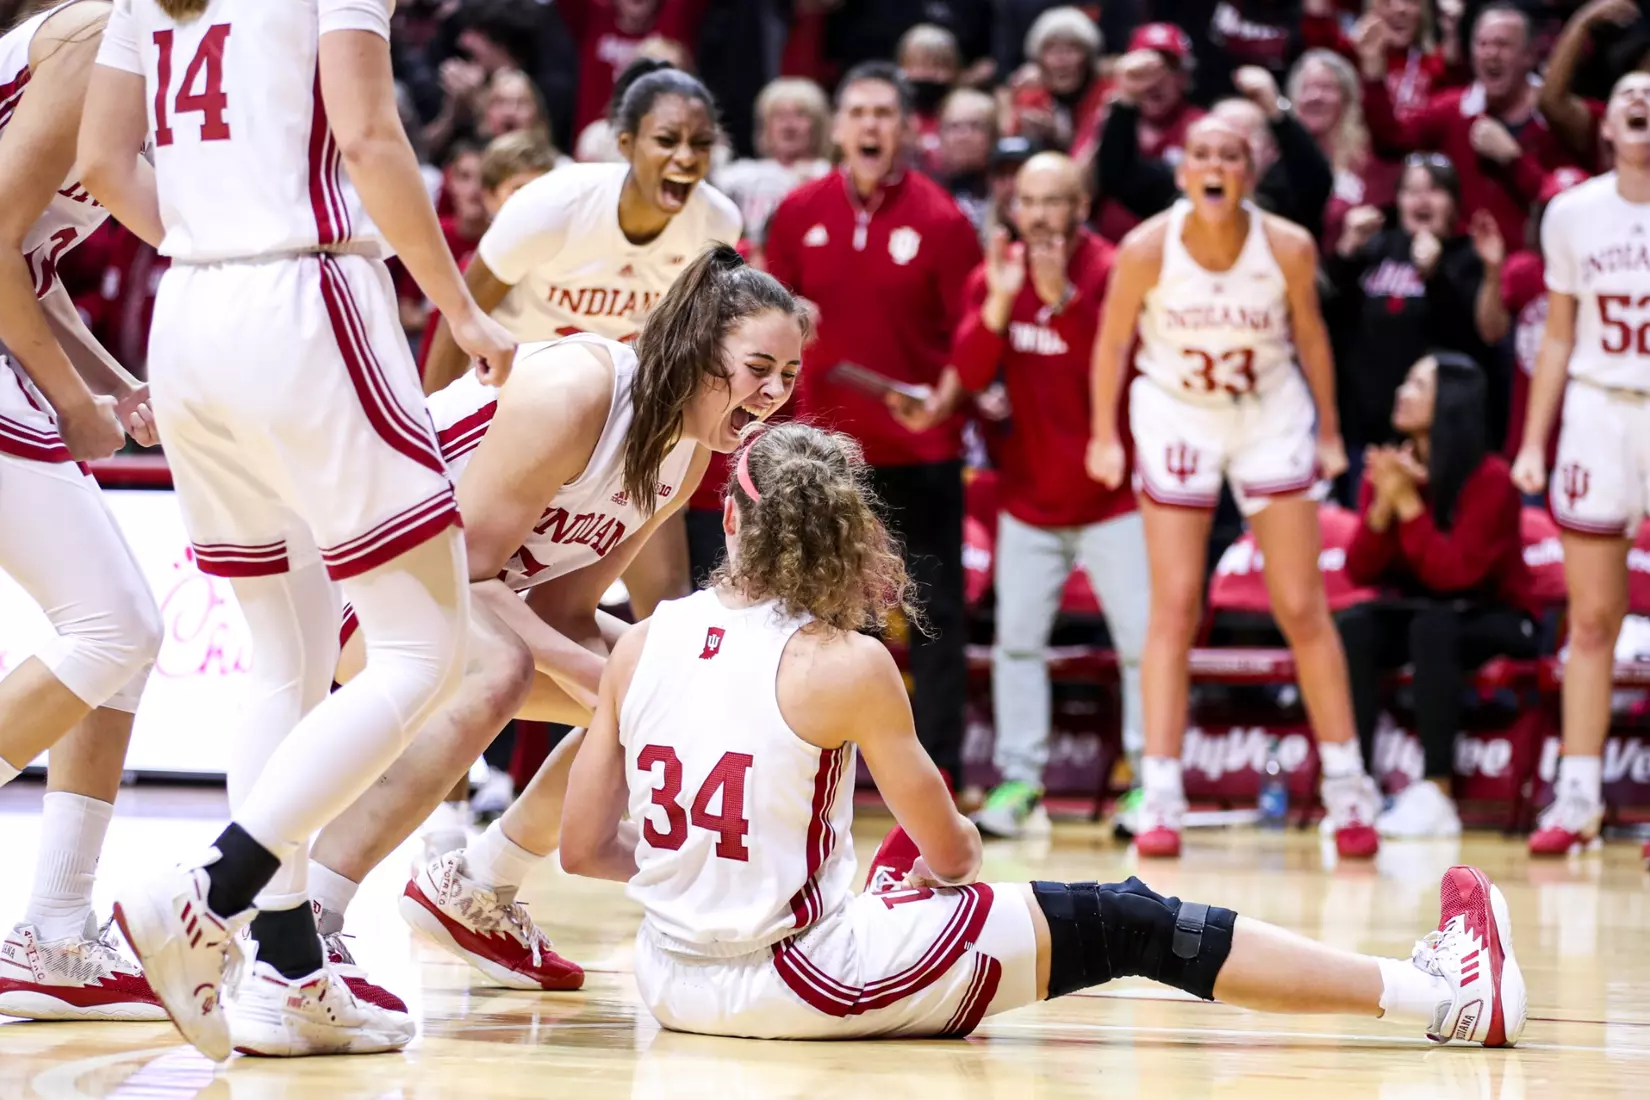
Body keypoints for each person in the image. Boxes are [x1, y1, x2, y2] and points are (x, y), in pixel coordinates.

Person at [553, 420, 1526, 1048]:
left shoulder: (642, 640)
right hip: (802, 978)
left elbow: (586, 846)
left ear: (729, 517)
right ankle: (1440, 994)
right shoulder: (845, 662)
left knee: (906, 897)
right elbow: (955, 850)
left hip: (670, 975)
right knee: (1131, 919)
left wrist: (721, 876)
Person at [80, 0, 516, 1061]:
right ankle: (208, 896)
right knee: (427, 648)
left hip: (189, 312)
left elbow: (101, 159)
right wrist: (462, 313)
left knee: (290, 659)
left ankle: (285, 970)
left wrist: (209, 240)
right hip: (305, 295)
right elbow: (367, 135)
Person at [298, 246, 803, 1002]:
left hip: (448, 592)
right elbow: (463, 575)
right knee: (505, 670)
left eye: (788, 377)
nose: (773, 394)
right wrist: (602, 679)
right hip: (355, 566)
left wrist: (639, 679)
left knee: (673, 679)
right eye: (759, 367)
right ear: (700, 344)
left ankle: (475, 886)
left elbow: (562, 609)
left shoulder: (684, 457)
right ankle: (309, 914)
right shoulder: (579, 388)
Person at [1086, 117, 1381, 860]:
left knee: (1301, 603)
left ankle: (1349, 788)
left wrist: (1331, 432)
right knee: (1176, 603)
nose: (1215, 165)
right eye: (1202, 154)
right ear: (1183, 171)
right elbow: (1113, 342)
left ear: (1249, 172)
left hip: (1266, 412)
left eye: (1231, 155)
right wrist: (1102, 433)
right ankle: (1160, 792)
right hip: (1177, 412)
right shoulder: (1148, 247)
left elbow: (1312, 338)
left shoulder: (1286, 244)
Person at [421, 59, 741, 624]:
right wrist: (427, 439)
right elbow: (460, 314)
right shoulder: (555, 204)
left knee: (663, 597)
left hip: (625, 408)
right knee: (479, 593)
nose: (686, 157)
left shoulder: (717, 223)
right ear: (626, 143)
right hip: (515, 406)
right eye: (667, 140)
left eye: (701, 143)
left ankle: (643, 706)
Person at [0, 0, 164, 1023]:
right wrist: (70, 399)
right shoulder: (93, 30)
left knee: (122, 637)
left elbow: (25, 260)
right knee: (117, 626)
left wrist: (111, 385)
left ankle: (57, 928)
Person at [764, 61, 984, 792]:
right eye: (857, 112)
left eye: (884, 113)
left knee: (934, 615)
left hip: (919, 451)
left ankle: (942, 771)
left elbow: (970, 332)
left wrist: (946, 399)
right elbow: (764, 318)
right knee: (822, 611)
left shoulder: (943, 219)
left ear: (906, 129)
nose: (869, 126)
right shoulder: (798, 212)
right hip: (824, 455)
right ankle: (821, 766)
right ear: (838, 127)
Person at [946, 153, 1149, 838]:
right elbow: (970, 374)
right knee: (1018, 645)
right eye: (1027, 201)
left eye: (1053, 201)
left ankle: (1151, 783)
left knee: (1141, 646)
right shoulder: (996, 272)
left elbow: (1120, 365)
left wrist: (1063, 296)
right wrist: (1003, 306)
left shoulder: (1113, 269)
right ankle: (1019, 782)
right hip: (1027, 499)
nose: (1037, 216)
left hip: (1113, 498)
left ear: (1080, 208)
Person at [1510, 73, 1650, 860]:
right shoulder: (1573, 213)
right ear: (1607, 121)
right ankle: (1578, 796)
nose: (1643, 103)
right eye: (1632, 92)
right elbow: (1558, 335)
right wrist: (1534, 440)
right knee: (1592, 618)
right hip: (1598, 410)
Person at [1341, 354, 1541, 838]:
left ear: (1450, 402)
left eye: (1417, 384)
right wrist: (1384, 506)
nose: (1401, 392)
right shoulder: (1394, 467)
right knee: (1355, 623)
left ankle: (1437, 790)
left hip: (1498, 615)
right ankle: (1356, 783)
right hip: (1422, 613)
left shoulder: (1491, 479)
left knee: (1434, 626)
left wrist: (1408, 505)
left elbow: (1456, 574)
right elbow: (1359, 569)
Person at [1359, 3, 1576, 249]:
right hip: (1459, 271)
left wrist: (1514, 161)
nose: (1491, 54)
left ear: (1529, 55)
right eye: (1482, 44)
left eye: (1503, 45)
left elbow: (1568, 206)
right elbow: (1391, 139)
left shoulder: (1557, 119)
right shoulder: (1452, 109)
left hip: (1528, 271)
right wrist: (1373, 74)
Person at [1325, 154, 1486, 482]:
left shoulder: (1468, 256)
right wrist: (1346, 251)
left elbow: (1471, 338)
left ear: (1454, 203)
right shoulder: (1375, 249)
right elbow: (1330, 316)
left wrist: (1435, 275)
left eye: (1435, 190)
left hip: (1436, 439)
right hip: (1364, 429)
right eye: (1411, 191)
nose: (1421, 200)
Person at [1098, 46, 1333, 241]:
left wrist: (1275, 111)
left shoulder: (1286, 196)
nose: (1219, 159)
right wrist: (1127, 98)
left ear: (1271, 152)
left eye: (1240, 140)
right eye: (1211, 144)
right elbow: (1117, 173)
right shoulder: (1177, 193)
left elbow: (1317, 181)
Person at [1091, 26, 1204, 243]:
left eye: (1166, 68)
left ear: (1184, 77)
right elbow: (1081, 186)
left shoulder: (1202, 128)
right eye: (1143, 69)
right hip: (1108, 247)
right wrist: (1120, 105)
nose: (1153, 81)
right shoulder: (1107, 115)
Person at [712, 77, 832, 255]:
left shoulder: (831, 176)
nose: (788, 125)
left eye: (800, 115)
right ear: (765, 125)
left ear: (818, 125)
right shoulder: (743, 175)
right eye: (779, 116)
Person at [1287, 49, 1370, 245]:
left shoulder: (1365, 160)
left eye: (1327, 88)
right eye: (1306, 88)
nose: (1315, 96)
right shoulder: (1277, 155)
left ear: (1347, 98)